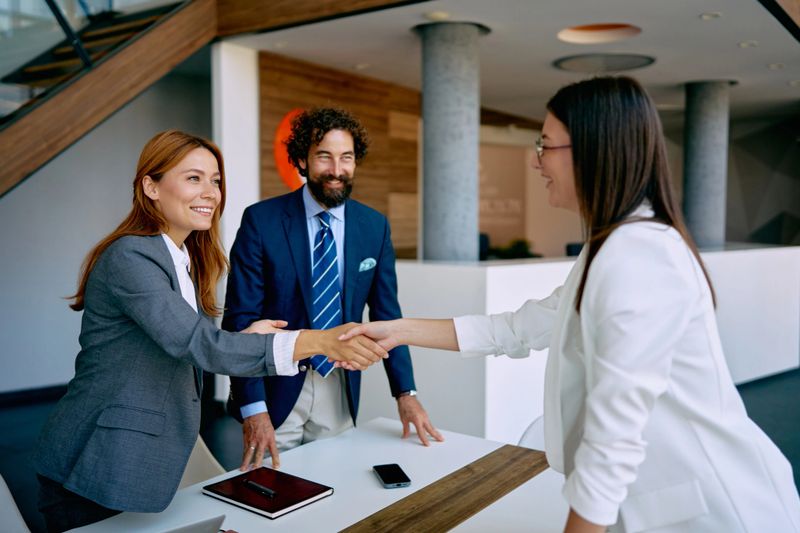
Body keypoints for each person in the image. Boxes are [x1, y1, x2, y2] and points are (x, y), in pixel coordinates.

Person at [341, 77, 800, 532]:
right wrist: (398, 330)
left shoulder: (639, 254)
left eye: (545, 145)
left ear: (593, 150)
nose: (536, 161)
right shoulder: (609, 247)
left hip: (715, 512)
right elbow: (516, 329)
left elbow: (615, 436)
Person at [33, 130, 386, 532]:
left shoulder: (182, 259)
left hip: (136, 458)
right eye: (193, 178)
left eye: (216, 181)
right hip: (95, 462)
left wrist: (249, 338)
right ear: (151, 186)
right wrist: (315, 341)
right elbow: (197, 343)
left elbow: (188, 341)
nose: (210, 193)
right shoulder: (131, 256)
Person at [223, 107, 442, 471]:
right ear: (302, 161)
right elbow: (240, 321)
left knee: (334, 486)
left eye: (346, 158)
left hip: (339, 385)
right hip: (276, 389)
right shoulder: (261, 221)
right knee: (269, 497)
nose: (337, 170)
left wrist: (406, 392)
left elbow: (388, 315)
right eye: (324, 156)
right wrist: (253, 409)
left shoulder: (374, 227)